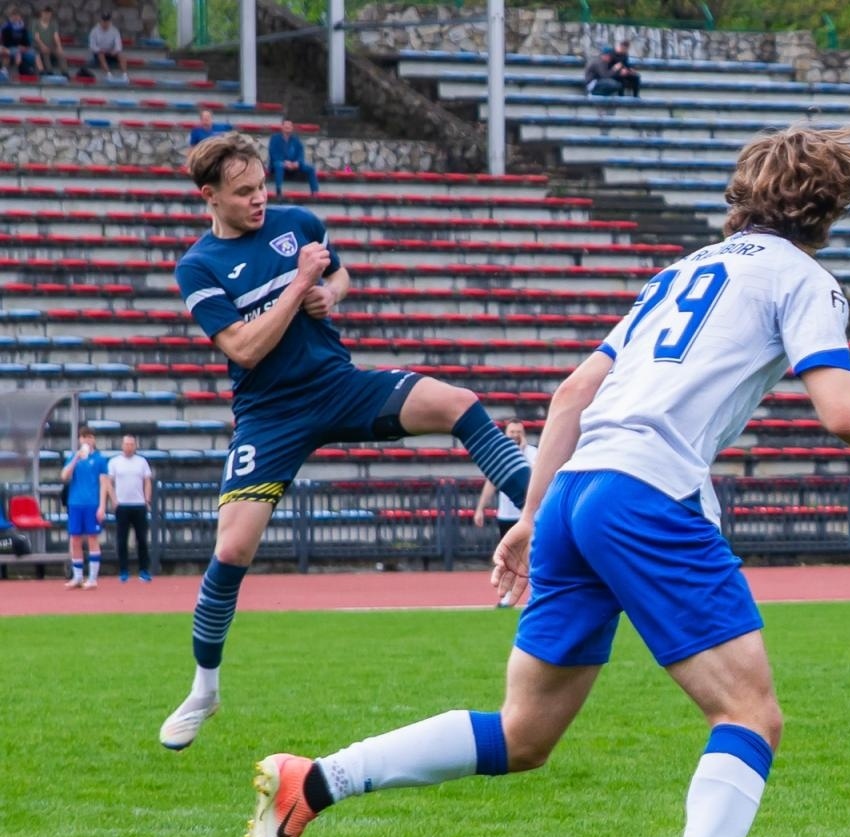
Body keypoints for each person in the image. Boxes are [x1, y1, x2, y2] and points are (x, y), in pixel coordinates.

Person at [242, 125, 850, 837]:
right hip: (647, 496)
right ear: (827, 210)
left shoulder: (678, 271)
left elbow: (572, 392)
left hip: (574, 494)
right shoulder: (805, 280)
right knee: (751, 714)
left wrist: (531, 517)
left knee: (523, 735)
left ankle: (313, 781)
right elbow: (845, 414)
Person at [162, 133, 533, 751]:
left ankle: (552, 517)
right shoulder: (196, 267)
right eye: (244, 192)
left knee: (460, 403)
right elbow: (245, 350)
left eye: (262, 186)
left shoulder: (297, 222)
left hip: (338, 385)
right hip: (269, 414)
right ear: (210, 197)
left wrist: (330, 291)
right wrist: (297, 283)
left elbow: (340, 275)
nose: (260, 200)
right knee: (231, 550)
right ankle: (204, 689)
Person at [473, 419, 538, 607]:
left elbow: (537, 477)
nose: (515, 435)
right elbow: (491, 482)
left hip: (525, 516)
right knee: (509, 558)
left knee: (533, 556)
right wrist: (480, 509)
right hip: (506, 515)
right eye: (512, 432)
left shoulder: (532, 454)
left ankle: (536, 595)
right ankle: (507, 597)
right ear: (505, 434)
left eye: (518, 431)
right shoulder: (501, 456)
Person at [61, 426, 111, 590]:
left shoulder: (99, 459)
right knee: (75, 540)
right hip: (75, 503)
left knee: (92, 538)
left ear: (94, 439)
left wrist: (102, 506)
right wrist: (76, 458)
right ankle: (77, 577)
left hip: (92, 503)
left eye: (90, 437)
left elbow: (104, 483)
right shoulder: (73, 457)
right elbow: (64, 476)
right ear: (80, 439)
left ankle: (93, 578)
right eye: (84, 437)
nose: (87, 440)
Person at [107, 433, 154, 582]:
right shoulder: (114, 462)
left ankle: (144, 570)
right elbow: (109, 483)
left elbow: (147, 481)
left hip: (139, 505)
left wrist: (147, 500)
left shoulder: (142, 462)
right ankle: (123, 570)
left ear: (135, 446)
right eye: (126, 444)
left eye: (131, 444)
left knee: (142, 539)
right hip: (122, 505)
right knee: (122, 540)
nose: (128, 447)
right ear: (122, 445)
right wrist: (114, 500)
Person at [268, 118, 320, 197]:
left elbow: (300, 154)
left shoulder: (296, 140)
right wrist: (285, 162)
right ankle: (278, 190)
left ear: (292, 128)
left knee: (310, 168)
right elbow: (274, 154)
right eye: (286, 126)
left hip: (294, 165)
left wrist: (297, 162)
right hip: (280, 164)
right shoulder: (275, 138)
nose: (287, 127)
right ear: (282, 127)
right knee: (279, 165)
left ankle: (315, 192)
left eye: (289, 126)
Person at [87, 12, 123, 81]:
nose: (105, 23)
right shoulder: (94, 31)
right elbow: (92, 46)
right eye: (104, 21)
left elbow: (119, 45)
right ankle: (109, 74)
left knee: (121, 56)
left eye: (107, 21)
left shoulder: (114, 31)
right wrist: (99, 50)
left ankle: (124, 75)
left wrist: (115, 51)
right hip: (99, 53)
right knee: (101, 55)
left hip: (111, 53)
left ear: (109, 21)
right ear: (101, 21)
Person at [28, 6, 64, 76]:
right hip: (37, 46)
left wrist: (59, 47)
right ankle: (49, 71)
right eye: (45, 13)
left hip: (50, 45)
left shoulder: (53, 23)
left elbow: (56, 36)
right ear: (42, 13)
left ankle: (65, 72)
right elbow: (36, 37)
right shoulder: (35, 23)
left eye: (49, 14)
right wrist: (43, 46)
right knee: (45, 52)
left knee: (60, 53)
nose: (47, 15)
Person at [0, 6, 35, 78]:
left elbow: (26, 41)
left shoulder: (23, 28)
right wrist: (18, 47)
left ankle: (41, 74)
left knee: (35, 54)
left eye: (17, 16)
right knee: (17, 54)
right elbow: (6, 42)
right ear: (10, 17)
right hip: (9, 47)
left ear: (20, 17)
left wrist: (25, 47)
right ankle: (13, 74)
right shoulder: (6, 27)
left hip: (21, 48)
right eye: (13, 16)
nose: (15, 18)